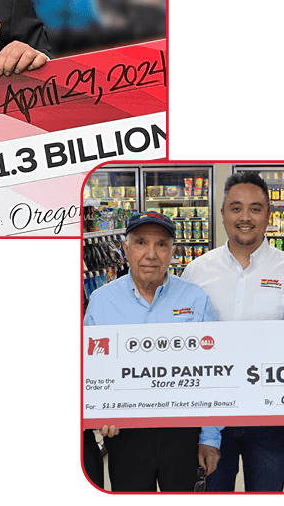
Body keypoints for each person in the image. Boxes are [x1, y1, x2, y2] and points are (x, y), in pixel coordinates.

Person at [180, 172, 284, 491]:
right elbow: (183, 345)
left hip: (270, 418)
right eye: (236, 207)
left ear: (268, 214)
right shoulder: (196, 272)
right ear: (223, 214)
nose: (245, 216)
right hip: (211, 415)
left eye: (255, 208)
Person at [83, 210, 221, 492]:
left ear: (173, 251)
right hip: (126, 435)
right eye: (141, 242)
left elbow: (213, 374)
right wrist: (98, 415)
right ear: (125, 248)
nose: (151, 253)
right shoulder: (101, 301)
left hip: (183, 433)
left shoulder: (196, 299)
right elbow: (91, 369)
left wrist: (210, 438)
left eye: (161, 244)